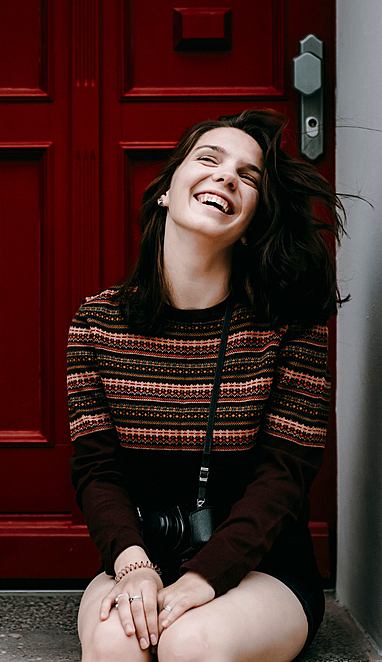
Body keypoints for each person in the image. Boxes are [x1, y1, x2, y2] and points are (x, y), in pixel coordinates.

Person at [67, 109, 347, 661]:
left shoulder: (288, 325)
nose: (226, 177)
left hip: (262, 567)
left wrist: (204, 579)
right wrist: (134, 566)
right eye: (210, 160)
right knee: (113, 643)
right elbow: (97, 470)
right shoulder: (97, 322)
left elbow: (284, 475)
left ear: (252, 221)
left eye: (248, 176)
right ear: (166, 193)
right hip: (141, 556)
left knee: (189, 644)